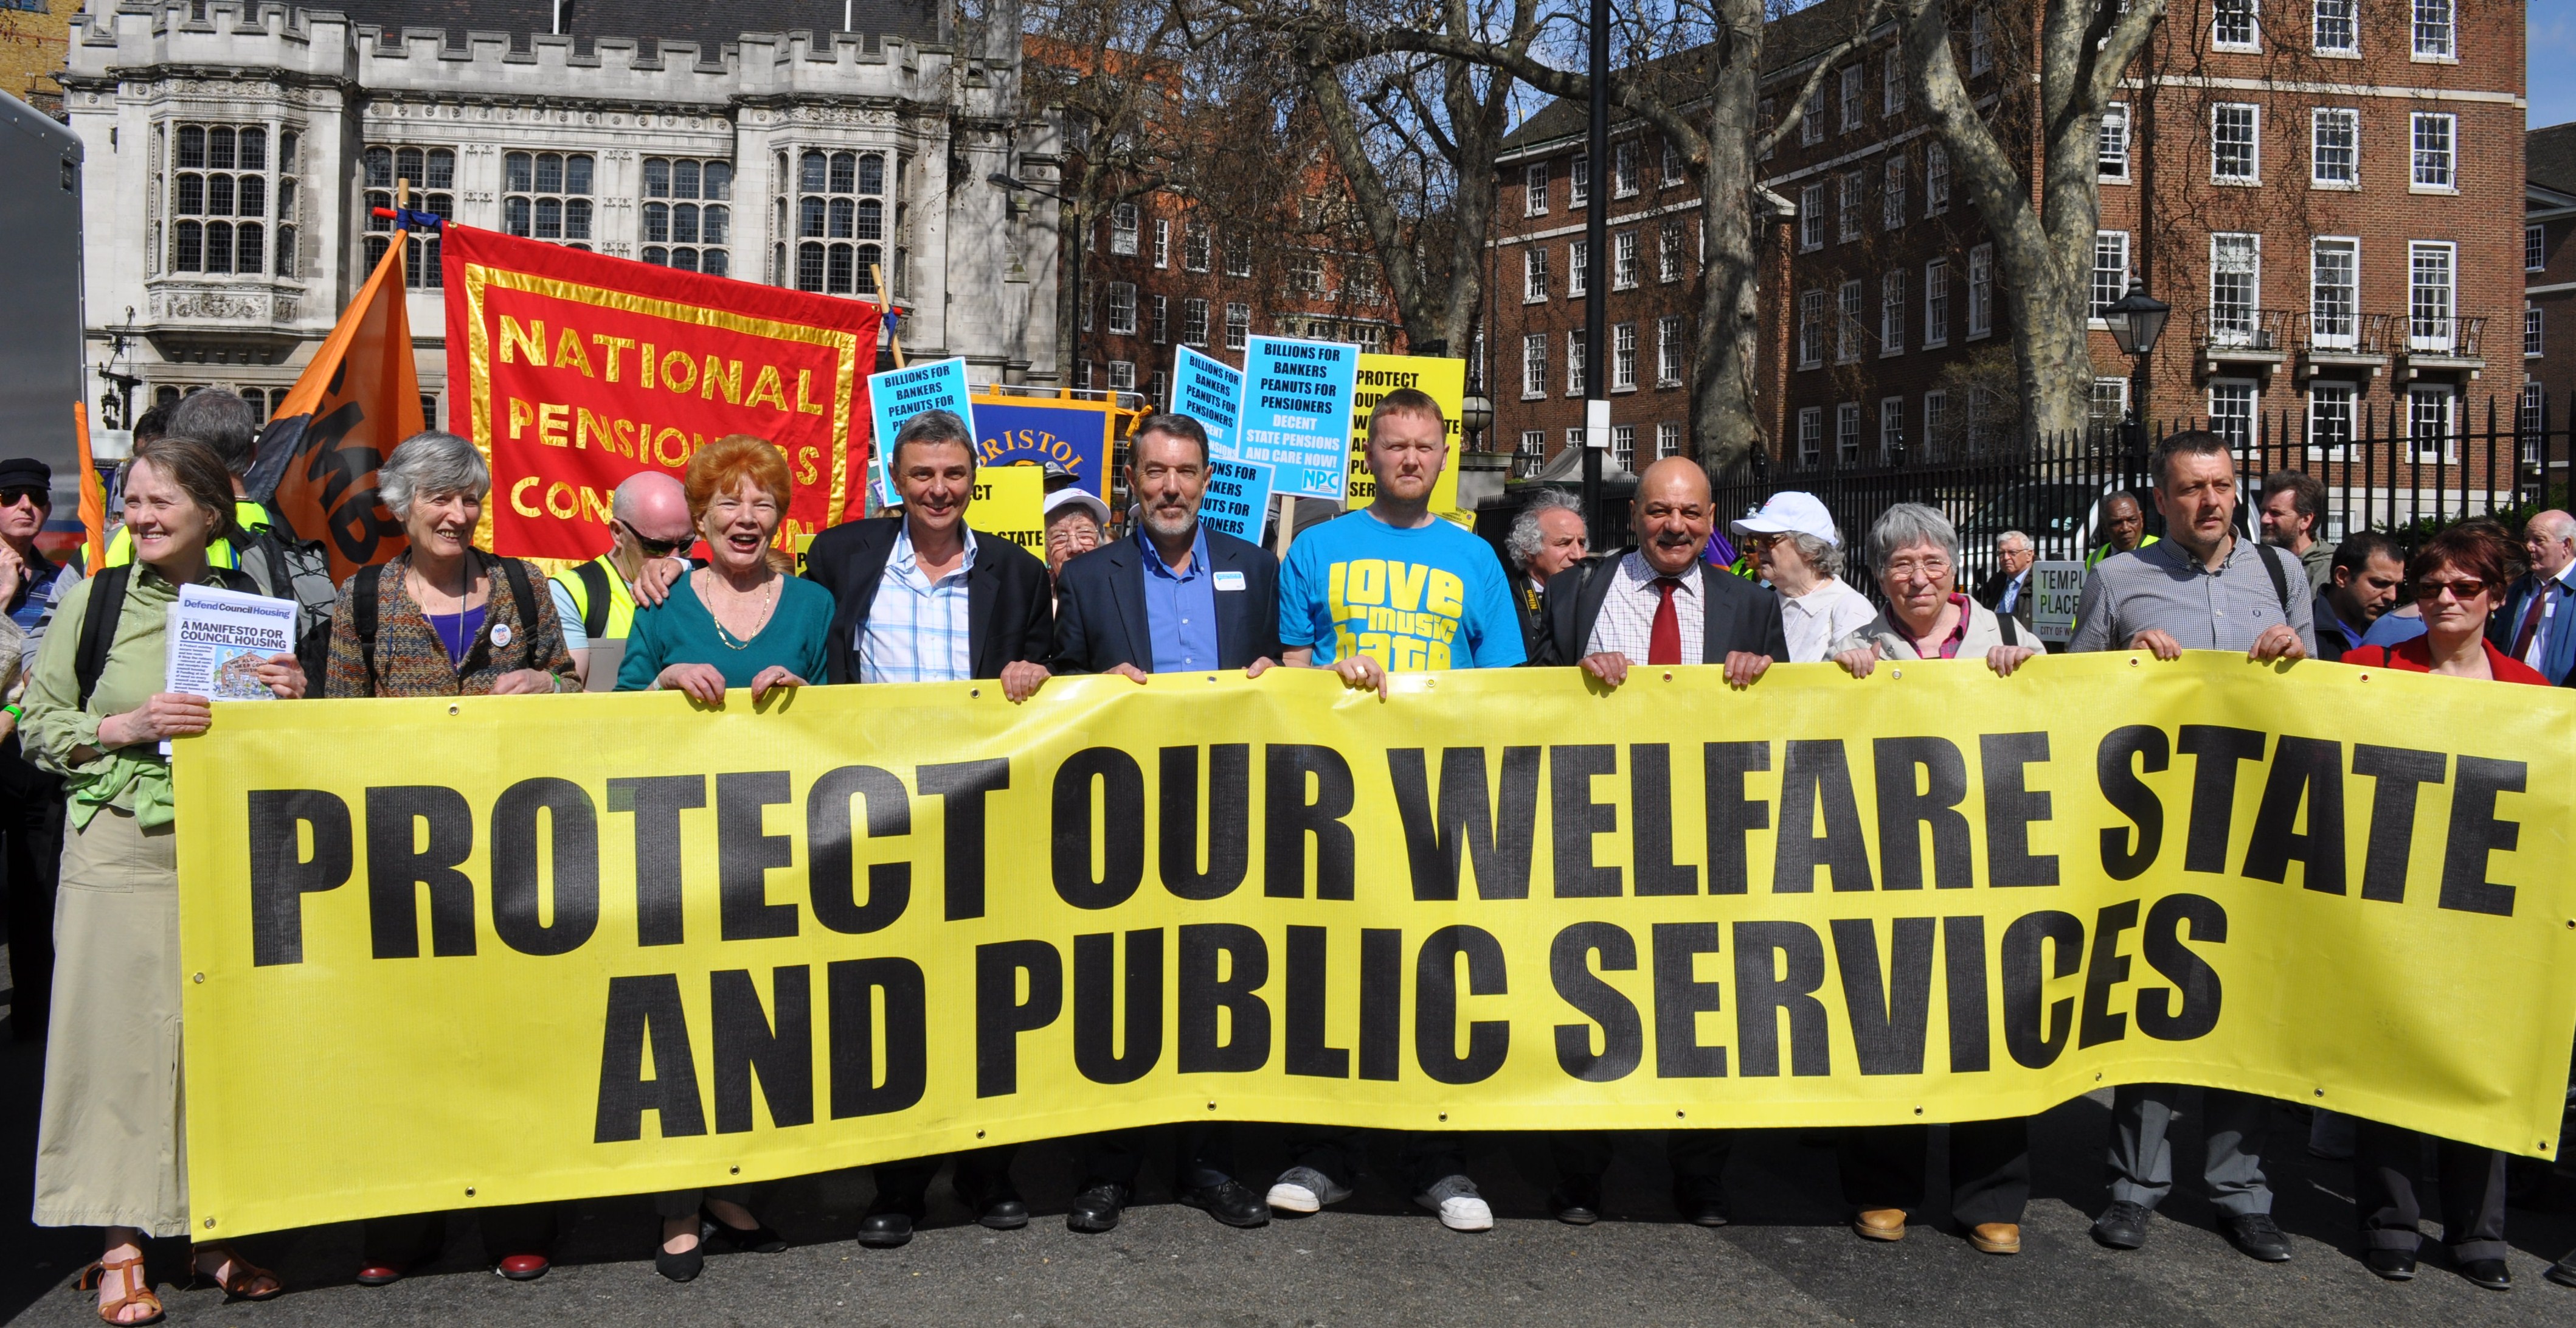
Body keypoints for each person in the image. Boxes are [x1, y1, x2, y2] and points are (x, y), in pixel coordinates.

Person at [20, 436, 302, 1323]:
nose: (139, 516)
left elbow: (276, 739)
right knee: (111, 1041)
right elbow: (39, 723)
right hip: (118, 843)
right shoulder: (94, 599)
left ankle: (205, 1230)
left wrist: (293, 691)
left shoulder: (252, 602)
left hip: (219, 843)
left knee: (213, 1043)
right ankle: (118, 1243)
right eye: (132, 500)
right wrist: (128, 722)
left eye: (157, 503)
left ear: (209, 517)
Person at [322, 431, 572, 1284]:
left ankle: (516, 1217)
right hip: (405, 860)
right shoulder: (358, 599)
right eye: (439, 497)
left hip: (511, 856)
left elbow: (574, 687)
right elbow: (331, 730)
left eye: (469, 497)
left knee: (512, 1043)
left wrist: (548, 684)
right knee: (407, 1046)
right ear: (402, 504)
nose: (458, 513)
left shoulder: (523, 585)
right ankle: (402, 1224)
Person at [1270, 386, 1521, 1233]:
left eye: (1424, 445)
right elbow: (1289, 670)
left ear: (1443, 455)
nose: (1409, 458)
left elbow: (1502, 686)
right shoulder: (1316, 546)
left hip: (1438, 798)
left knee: (1437, 973)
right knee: (1335, 970)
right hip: (1337, 799)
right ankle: (1325, 1151)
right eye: (1394, 444)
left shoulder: (1475, 558)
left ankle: (1437, 1158)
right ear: (1368, 455)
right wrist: (1323, 679)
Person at [801, 407, 1053, 1247]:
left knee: (990, 997)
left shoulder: (1018, 572)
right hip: (877, 814)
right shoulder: (840, 556)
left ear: (972, 478)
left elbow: (1053, 663)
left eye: (952, 474)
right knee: (893, 998)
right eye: (922, 475)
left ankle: (989, 1174)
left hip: (985, 811)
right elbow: (779, 612)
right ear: (894, 482)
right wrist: (653, 571)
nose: (939, 489)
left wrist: (1035, 669)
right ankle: (899, 1183)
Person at [2071, 429, 2309, 1264]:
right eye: (2191, 488)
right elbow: (2073, 696)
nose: (2210, 500)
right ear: (2162, 500)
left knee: (2240, 1011)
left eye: (2222, 484)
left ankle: (2243, 1191)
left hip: (2255, 831)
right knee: (2156, 1003)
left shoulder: (2281, 575)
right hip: (2157, 833)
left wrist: (2296, 652)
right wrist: (2124, 664)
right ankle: (2135, 1187)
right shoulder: (2116, 578)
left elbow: (2321, 702)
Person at [1526, 455, 1781, 1228]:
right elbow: (1525, 696)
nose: (1676, 526)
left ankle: (1700, 1173)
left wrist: (1764, 673)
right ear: (1633, 516)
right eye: (1661, 511)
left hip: (1711, 835)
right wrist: (1572, 672)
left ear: (1711, 520)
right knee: (1589, 992)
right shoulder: (1575, 592)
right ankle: (1581, 1172)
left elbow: (1794, 717)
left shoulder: (1750, 604)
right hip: (1595, 829)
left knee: (1706, 1004)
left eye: (1692, 513)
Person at [1045, 412, 1279, 1234]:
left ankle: (1208, 1162)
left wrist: (1276, 673)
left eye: (1186, 471)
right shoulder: (1091, 575)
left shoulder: (1255, 566)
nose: (1171, 487)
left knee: (1217, 984)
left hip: (1223, 809)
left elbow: (1285, 665)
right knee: (1122, 986)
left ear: (1208, 480)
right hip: (1125, 811)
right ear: (1132, 482)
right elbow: (1060, 681)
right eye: (1155, 472)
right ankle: (1109, 1167)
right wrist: (1088, 686)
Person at [1823, 503, 2037, 1254]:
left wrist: (2029, 678)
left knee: (1990, 1028)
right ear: (1878, 576)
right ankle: (1883, 1189)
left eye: (1931, 561)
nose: (1918, 577)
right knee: (1889, 1023)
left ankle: (1992, 1196)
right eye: (1900, 564)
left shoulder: (2010, 638)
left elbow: (2065, 721)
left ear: (1954, 565)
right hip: (1887, 870)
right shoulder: (1853, 647)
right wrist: (1839, 679)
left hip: (1990, 867)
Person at [2338, 523, 2536, 1291]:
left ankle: (2477, 1230)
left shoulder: (2531, 694)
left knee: (2475, 1066)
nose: (2446, 599)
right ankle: (2390, 1221)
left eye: (2465, 587)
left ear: (2497, 594)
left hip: (2486, 911)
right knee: (2385, 1063)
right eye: (2430, 587)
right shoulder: (2368, 667)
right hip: (2389, 901)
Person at [0, 457, 66, 1043]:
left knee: (35, 892)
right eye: (11, 496)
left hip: (30, 764)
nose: (25, 505)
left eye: (36, 498)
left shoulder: (58, 579)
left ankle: (35, 1023)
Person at [549, 470, 694, 689]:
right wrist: (657, 688)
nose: (673, 557)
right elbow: (570, 695)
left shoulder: (703, 576)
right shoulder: (573, 592)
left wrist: (686, 565)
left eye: (685, 545)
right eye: (657, 546)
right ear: (618, 533)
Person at [1729, 492, 1872, 662]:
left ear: (1811, 550)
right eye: (1756, 539)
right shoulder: (1764, 605)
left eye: (1770, 539)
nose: (1759, 548)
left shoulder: (1849, 607)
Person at [2495, 509, 2576, 684]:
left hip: (2561, 700)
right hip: (2510, 693)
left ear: (2566, 545)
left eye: (2538, 540)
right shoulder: (2518, 588)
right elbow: (2498, 640)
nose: (2528, 547)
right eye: (2527, 539)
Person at [1505, 488, 1587, 652]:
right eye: (1564, 543)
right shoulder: (1506, 606)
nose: (1578, 555)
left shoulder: (1596, 598)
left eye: (1582, 543)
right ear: (1528, 550)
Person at [2310, 532, 2405, 663]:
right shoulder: (2304, 632)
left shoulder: (2390, 633)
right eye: (2380, 583)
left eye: (2397, 586)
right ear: (2342, 577)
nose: (2392, 596)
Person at [2258, 470, 2334, 590]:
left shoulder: (2327, 573)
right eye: (2263, 511)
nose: (2264, 519)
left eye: (2275, 513)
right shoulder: (2256, 563)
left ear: (2305, 520)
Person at [1043, 486, 1110, 585]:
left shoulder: (1121, 594)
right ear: (1046, 552)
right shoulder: (1035, 598)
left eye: (1085, 533)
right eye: (1060, 537)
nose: (1075, 547)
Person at [1972, 529, 2035, 630]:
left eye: (2012, 553)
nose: (2006, 558)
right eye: (2001, 553)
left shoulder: (2041, 584)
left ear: (2029, 555)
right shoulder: (1996, 583)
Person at [2085, 492, 2158, 568]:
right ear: (2104, 527)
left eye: (2132, 520)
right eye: (2117, 523)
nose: (2126, 528)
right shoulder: (2094, 558)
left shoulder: (2162, 550)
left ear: (2141, 519)